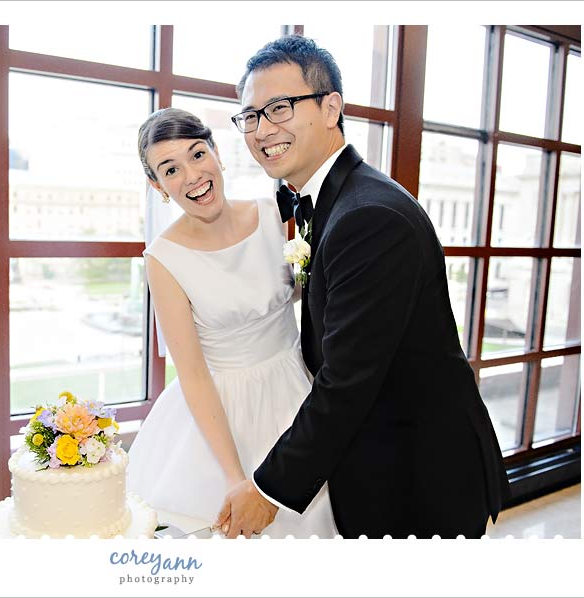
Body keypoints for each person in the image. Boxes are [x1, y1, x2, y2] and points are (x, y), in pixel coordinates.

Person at [216, 35, 511, 539]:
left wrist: (268, 491)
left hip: (418, 473)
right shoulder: (333, 197)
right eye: (249, 116)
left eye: (280, 108)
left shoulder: (368, 215)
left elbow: (349, 378)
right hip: (382, 453)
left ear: (331, 108)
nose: (262, 130)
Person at [126, 107, 338, 538]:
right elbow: (193, 375)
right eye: (170, 169)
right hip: (220, 413)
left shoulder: (272, 213)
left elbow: (298, 291)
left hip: (297, 392)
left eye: (197, 154)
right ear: (158, 186)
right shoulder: (164, 259)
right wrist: (234, 475)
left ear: (217, 153)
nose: (191, 175)